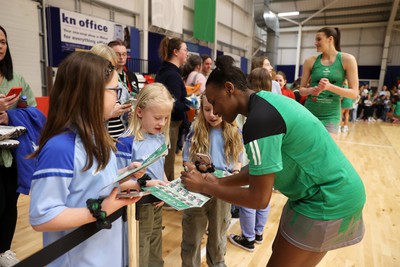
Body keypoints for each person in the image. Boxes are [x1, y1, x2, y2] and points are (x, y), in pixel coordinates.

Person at [181, 56, 366, 267]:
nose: (214, 110)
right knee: (278, 251)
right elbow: (260, 170)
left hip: (328, 198)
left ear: (229, 89)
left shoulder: (260, 122)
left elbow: (259, 198)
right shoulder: (265, 102)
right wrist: (218, 182)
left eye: (214, 101)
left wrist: (205, 186)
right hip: (318, 194)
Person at [29, 52, 143, 267]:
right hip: (80, 259)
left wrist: (123, 174)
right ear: (90, 94)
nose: (119, 98)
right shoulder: (60, 148)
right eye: (114, 91)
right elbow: (42, 216)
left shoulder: (96, 136)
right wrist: (102, 210)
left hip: (105, 252)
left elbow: (90, 183)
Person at [181, 93, 243, 267]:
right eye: (207, 110)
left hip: (222, 192)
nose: (212, 115)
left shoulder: (235, 131)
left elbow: (237, 159)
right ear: (201, 109)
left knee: (218, 235)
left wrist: (236, 171)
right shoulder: (195, 129)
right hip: (196, 192)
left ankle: (217, 263)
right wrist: (199, 171)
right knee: (191, 236)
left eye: (217, 111)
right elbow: (186, 161)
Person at [116, 83, 174, 267]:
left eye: (166, 118)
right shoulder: (127, 142)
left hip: (156, 202)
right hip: (137, 205)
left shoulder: (159, 138)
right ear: (140, 112)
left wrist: (166, 186)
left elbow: (160, 167)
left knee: (155, 243)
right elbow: (118, 181)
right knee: (140, 247)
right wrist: (149, 185)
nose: (162, 123)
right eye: (157, 118)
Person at [0, 25, 40, 267]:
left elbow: (35, 110)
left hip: (13, 152)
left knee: (10, 203)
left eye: (3, 42)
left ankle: (4, 250)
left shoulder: (17, 78)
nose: (0, 46)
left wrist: (15, 112)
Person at [227, 66, 272, 252]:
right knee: (264, 197)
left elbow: (238, 137)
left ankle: (248, 238)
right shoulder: (272, 107)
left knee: (249, 201)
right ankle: (259, 233)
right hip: (269, 160)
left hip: (248, 160)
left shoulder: (246, 112)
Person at [299, 27, 359, 136]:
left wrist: (330, 87)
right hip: (309, 112)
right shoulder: (310, 61)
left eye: (318, 39)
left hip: (331, 115)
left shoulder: (348, 59)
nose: (315, 43)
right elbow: (301, 90)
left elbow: (354, 93)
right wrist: (311, 90)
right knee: (306, 151)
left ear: (330, 39)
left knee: (326, 150)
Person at [155, 37, 188, 182]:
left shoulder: (166, 71)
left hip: (167, 123)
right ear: (176, 52)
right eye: (185, 50)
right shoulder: (172, 75)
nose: (187, 53)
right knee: (167, 162)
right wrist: (191, 104)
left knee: (166, 160)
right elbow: (173, 106)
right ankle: (165, 197)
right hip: (170, 124)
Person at [90, 43, 132, 139]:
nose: (111, 71)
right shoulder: (87, 89)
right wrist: (108, 114)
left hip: (119, 139)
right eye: (108, 66)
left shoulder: (118, 84)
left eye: (113, 67)